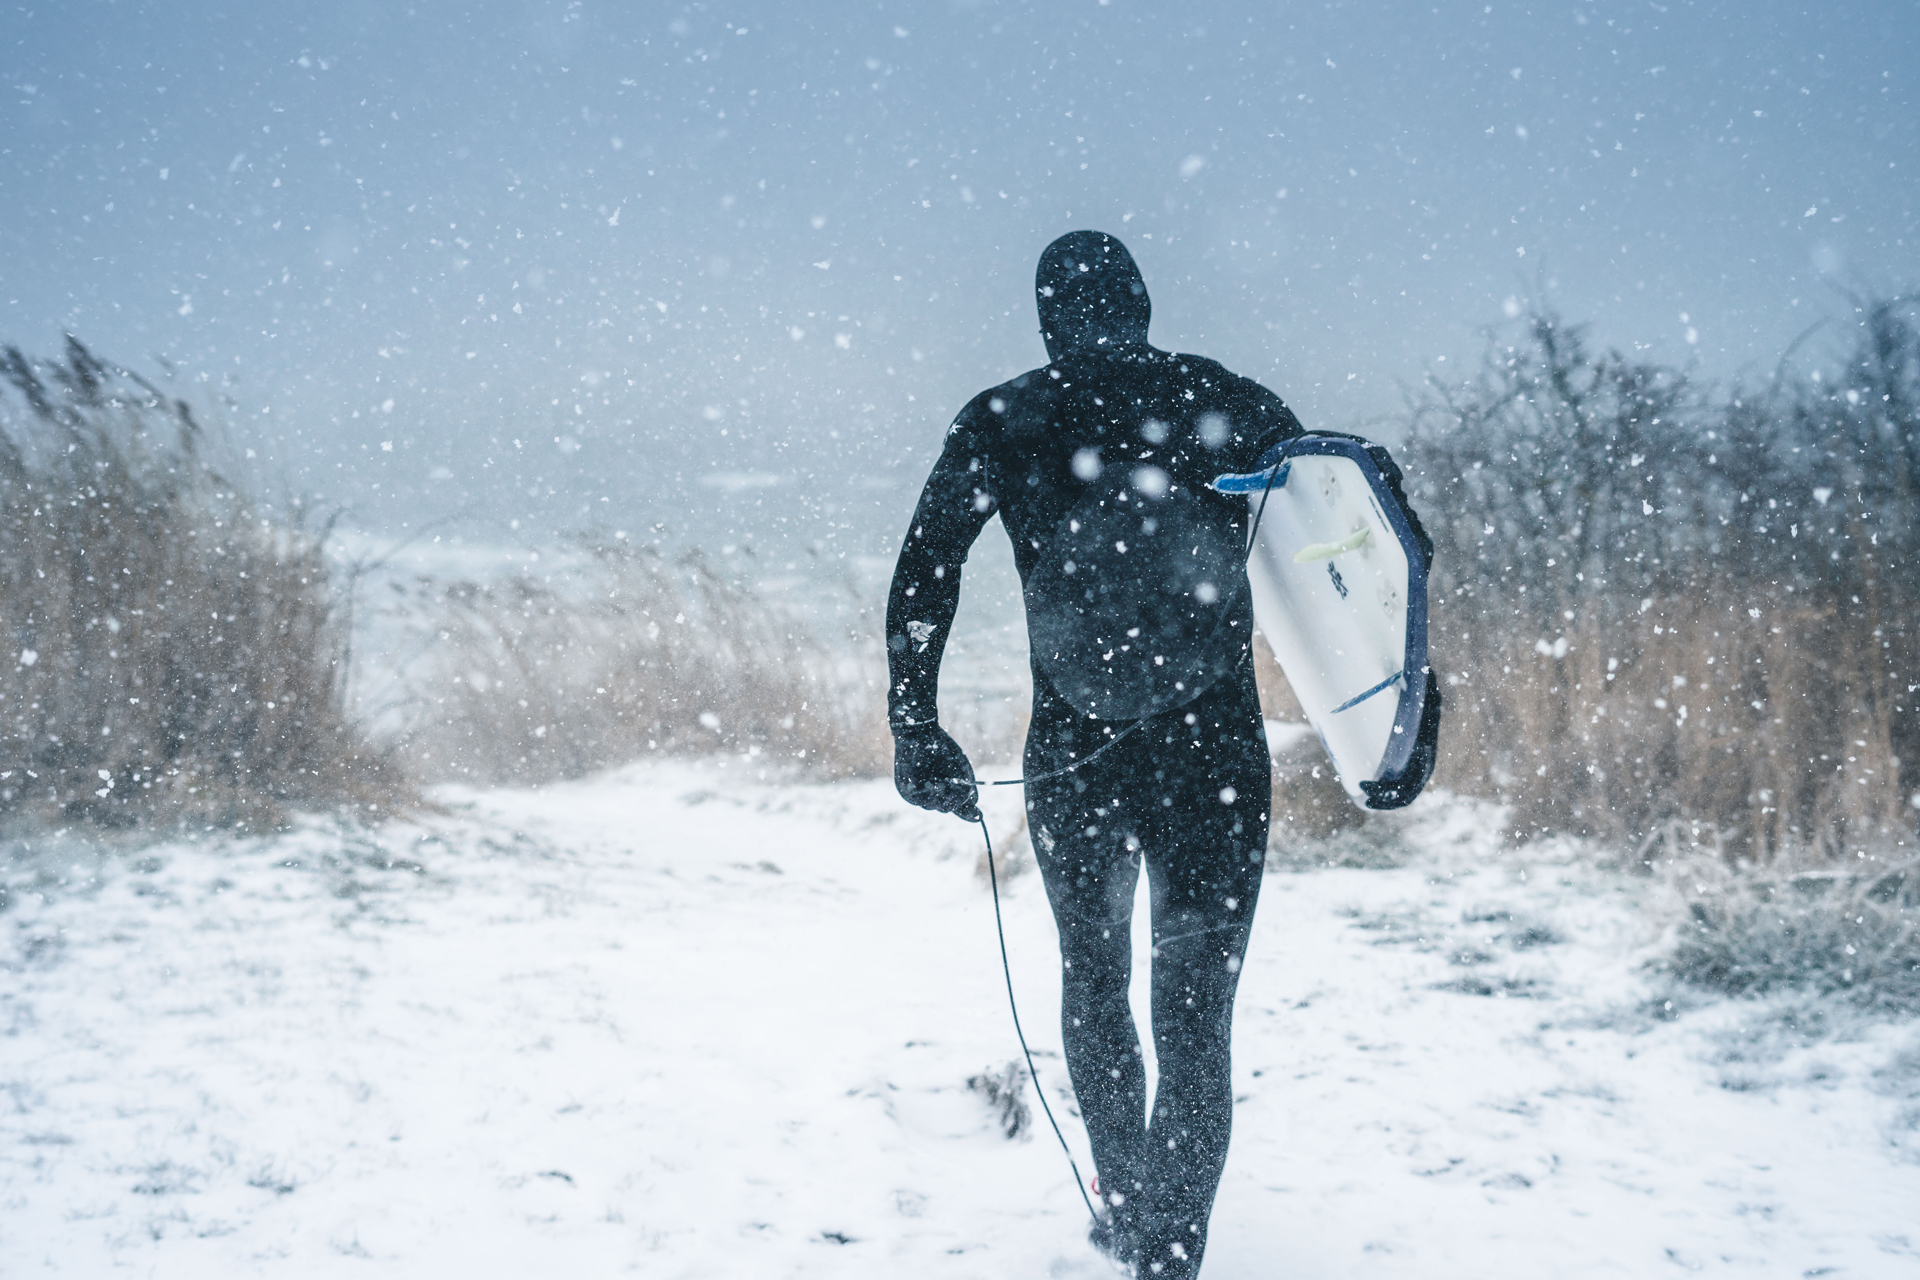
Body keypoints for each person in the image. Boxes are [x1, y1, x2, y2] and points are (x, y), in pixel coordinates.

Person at [885, 230, 1303, 1277]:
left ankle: (1125, 1209)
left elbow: (925, 573)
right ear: (1145, 305)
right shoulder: (1232, 400)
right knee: (1197, 1006)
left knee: (1095, 979)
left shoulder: (1004, 415)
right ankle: (1170, 1250)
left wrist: (914, 725)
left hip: (1078, 751)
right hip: (1216, 749)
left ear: (1046, 317)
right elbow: (1346, 543)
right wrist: (1399, 709)